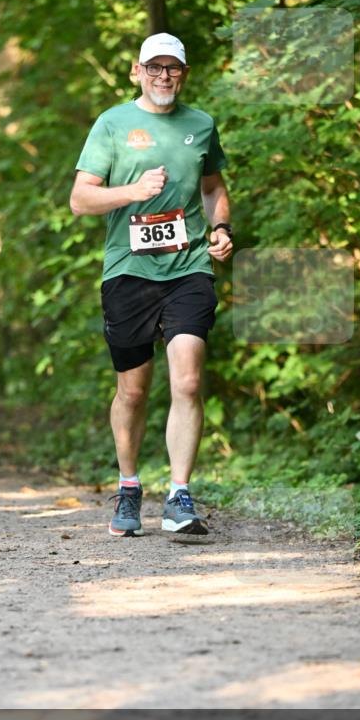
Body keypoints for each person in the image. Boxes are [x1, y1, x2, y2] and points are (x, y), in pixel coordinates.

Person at [70, 33, 232, 540]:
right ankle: (129, 485)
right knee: (133, 391)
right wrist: (133, 192)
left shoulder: (201, 124)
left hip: (188, 269)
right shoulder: (113, 123)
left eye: (173, 69)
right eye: (154, 68)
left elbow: (213, 188)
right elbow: (80, 199)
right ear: (136, 71)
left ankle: (180, 494)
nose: (164, 77)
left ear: (184, 73)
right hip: (128, 272)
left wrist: (223, 229)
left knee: (186, 380)